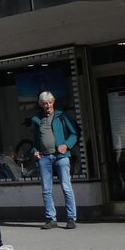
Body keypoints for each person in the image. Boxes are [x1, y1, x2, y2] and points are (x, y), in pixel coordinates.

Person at [31, 91, 79, 229]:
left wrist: (67, 145)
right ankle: (51, 219)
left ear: (53, 102)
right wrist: (34, 151)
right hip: (44, 158)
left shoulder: (61, 116)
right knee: (46, 190)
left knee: (66, 187)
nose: (48, 105)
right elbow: (35, 141)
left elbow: (75, 133)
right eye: (45, 103)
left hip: (61, 157)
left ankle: (71, 218)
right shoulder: (36, 119)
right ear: (41, 104)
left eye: (50, 102)